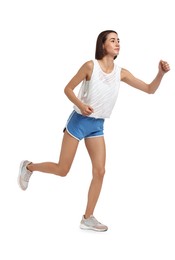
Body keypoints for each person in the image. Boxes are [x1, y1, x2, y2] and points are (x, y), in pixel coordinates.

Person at [18, 30, 170, 232]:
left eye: (119, 41)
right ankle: (28, 167)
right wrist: (81, 105)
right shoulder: (90, 66)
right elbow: (68, 89)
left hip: (97, 126)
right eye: (112, 40)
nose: (117, 43)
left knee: (100, 171)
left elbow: (150, 89)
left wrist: (160, 74)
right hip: (78, 121)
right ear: (102, 45)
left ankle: (87, 218)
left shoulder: (121, 73)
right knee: (63, 170)